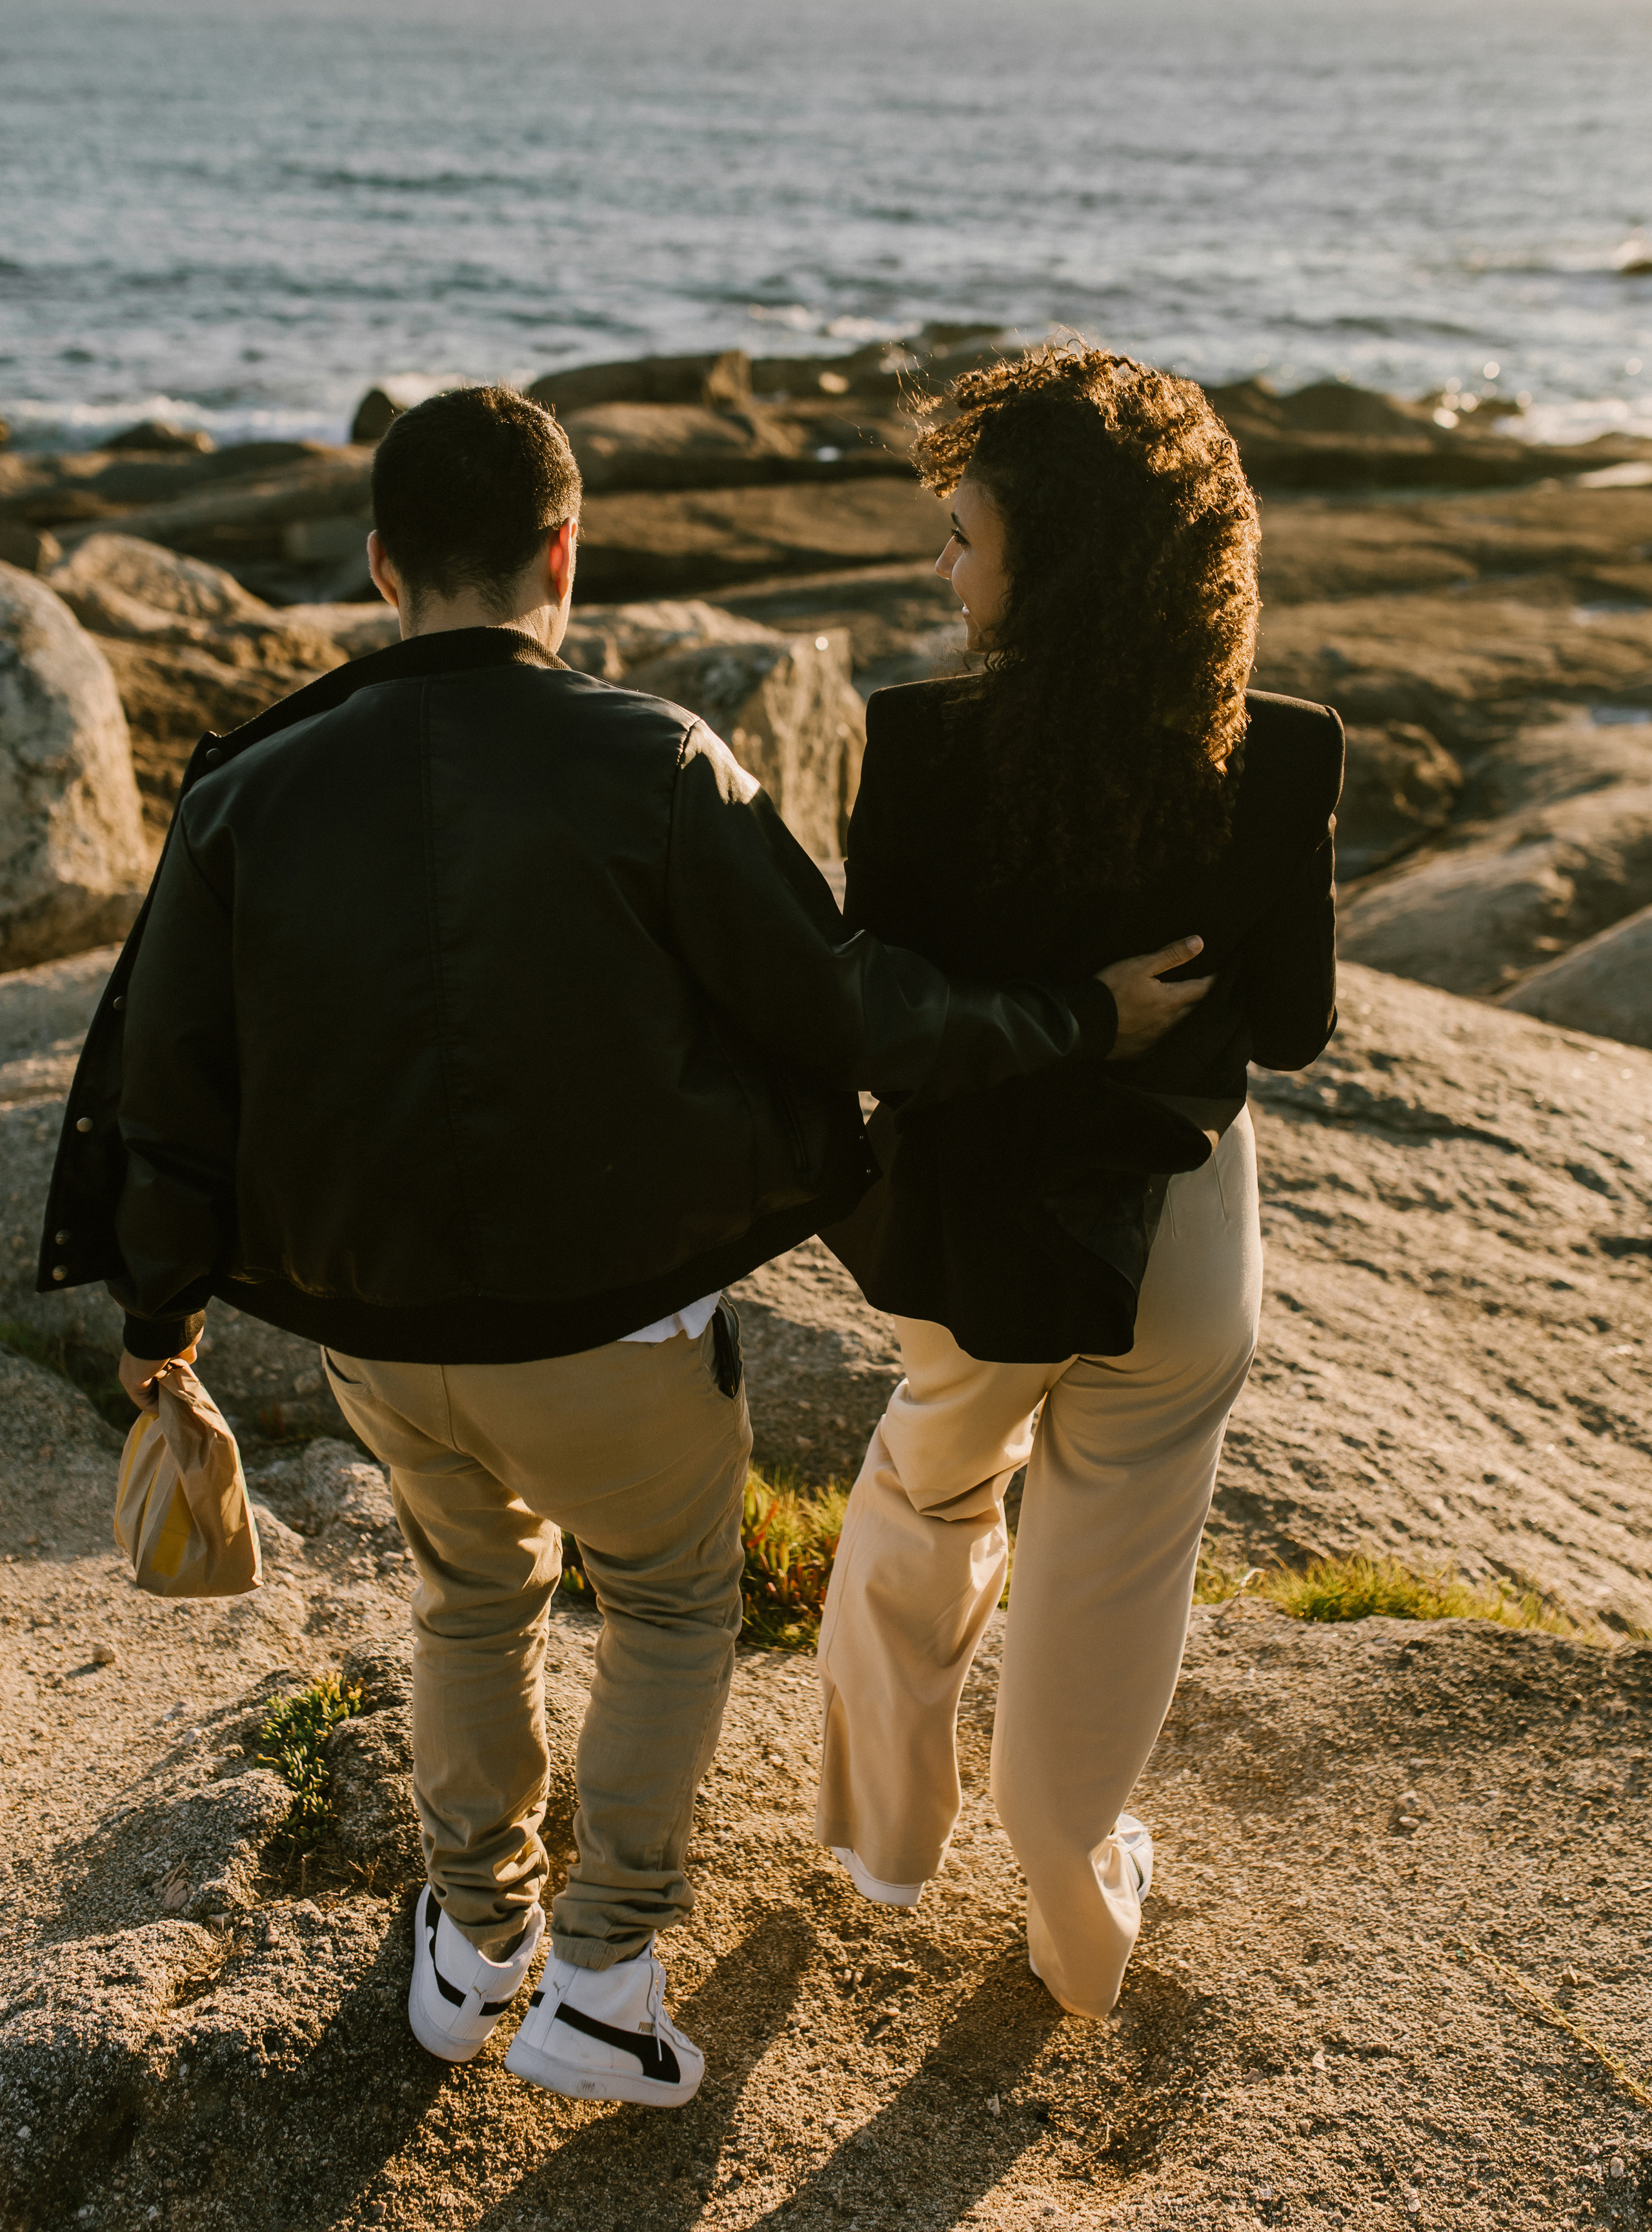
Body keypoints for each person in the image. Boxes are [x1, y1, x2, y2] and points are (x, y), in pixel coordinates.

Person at [39, 383, 1205, 2109]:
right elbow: (848, 1007)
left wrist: (158, 1323)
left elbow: (167, 1095)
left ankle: (471, 1941)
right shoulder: (656, 757)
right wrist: (1075, 1020)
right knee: (665, 1607)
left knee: (467, 1594)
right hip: (614, 1340)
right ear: (564, 556)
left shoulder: (241, 796)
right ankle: (600, 1977)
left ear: (379, 568)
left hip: (379, 1338)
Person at [814, 346, 1343, 2020]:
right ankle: (1074, 1907)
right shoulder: (1288, 755)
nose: (943, 566)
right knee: (1113, 1565)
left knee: (928, 1480)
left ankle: (886, 1836)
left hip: (981, 1244)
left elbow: (889, 1019)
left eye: (963, 535)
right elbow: (1307, 1029)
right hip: (1179, 1242)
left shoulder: (914, 747)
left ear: (1051, 557)